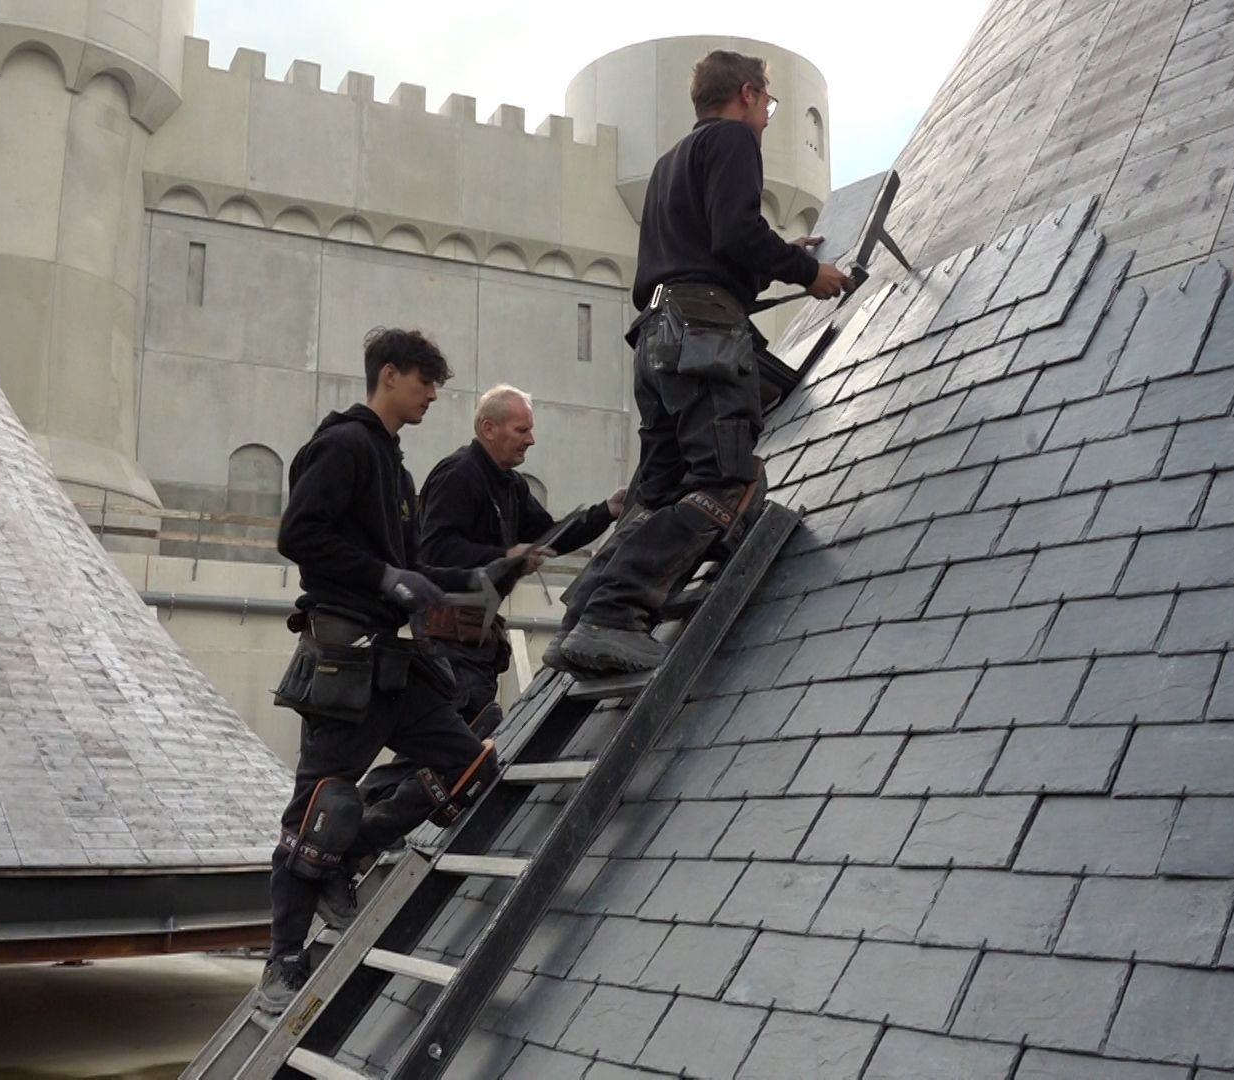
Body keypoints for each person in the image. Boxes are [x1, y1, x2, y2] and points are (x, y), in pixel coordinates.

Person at [551, 49, 852, 675]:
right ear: (746, 93)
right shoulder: (734, 143)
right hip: (705, 334)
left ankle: (584, 609)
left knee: (658, 489)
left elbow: (712, 248)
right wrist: (807, 271)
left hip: (658, 338)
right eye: (766, 104)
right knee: (726, 482)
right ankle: (613, 615)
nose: (766, 117)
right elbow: (734, 235)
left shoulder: (670, 164)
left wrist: (768, 256)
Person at [259, 327, 528, 1014]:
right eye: (423, 381)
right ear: (388, 376)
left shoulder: (397, 470)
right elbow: (299, 536)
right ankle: (281, 963)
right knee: (316, 811)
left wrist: (476, 576)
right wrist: (384, 576)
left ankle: (350, 855)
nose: (434, 394)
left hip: (398, 667)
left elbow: (410, 567)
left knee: (470, 767)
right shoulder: (346, 446)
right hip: (346, 662)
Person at [414, 385, 624, 727]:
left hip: (475, 644)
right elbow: (434, 550)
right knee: (457, 743)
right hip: (449, 645)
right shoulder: (458, 474)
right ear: (488, 429)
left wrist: (607, 511)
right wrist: (506, 555)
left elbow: (549, 537)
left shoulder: (510, 484)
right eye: (521, 429)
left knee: (460, 742)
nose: (531, 440)